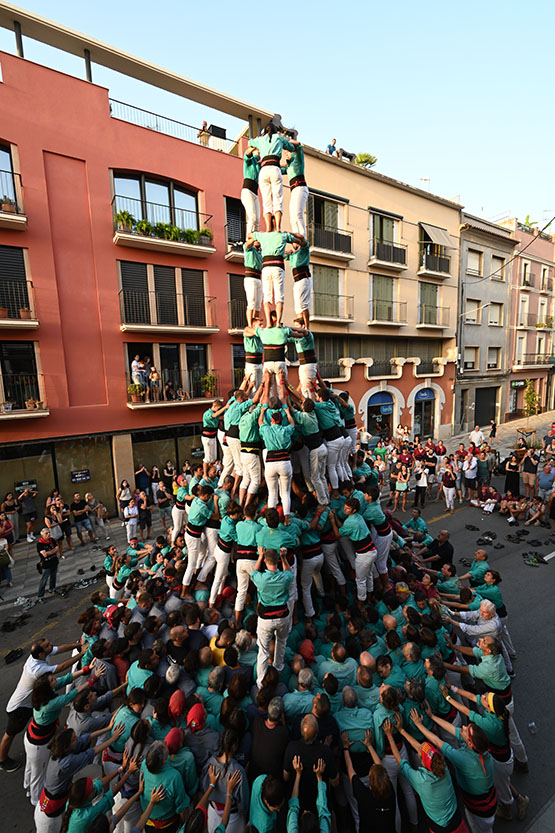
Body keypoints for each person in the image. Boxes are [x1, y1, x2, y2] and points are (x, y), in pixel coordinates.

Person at [0, 637, 82, 772]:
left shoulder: (41, 656)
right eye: (48, 645)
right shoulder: (37, 669)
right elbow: (61, 667)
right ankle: (2, 759)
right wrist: (81, 653)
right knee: (10, 733)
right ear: (41, 654)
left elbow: (60, 648)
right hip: (20, 707)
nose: (52, 645)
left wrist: (79, 644)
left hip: (32, 701)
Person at [251, 547, 293, 685]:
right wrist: (284, 558)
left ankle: (261, 683)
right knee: (281, 642)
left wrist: (259, 556)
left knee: (263, 652)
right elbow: (289, 572)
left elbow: (254, 572)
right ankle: (278, 670)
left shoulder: (261, 579)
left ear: (265, 561)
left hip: (266, 619)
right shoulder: (285, 578)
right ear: (278, 561)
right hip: (283, 617)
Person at [246, 230, 305, 327]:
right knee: (274, 297)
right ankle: (259, 324)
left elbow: (250, 236)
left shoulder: (263, 238)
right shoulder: (281, 235)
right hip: (262, 273)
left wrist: (257, 236)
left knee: (263, 300)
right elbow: (299, 240)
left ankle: (268, 322)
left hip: (263, 272)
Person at [248, 123, 297, 232]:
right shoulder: (279, 138)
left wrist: (259, 139)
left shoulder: (261, 140)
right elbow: (291, 147)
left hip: (264, 170)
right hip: (275, 168)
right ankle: (278, 227)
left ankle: (268, 228)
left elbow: (249, 142)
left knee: (266, 201)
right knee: (277, 199)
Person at [282, 142, 308, 236]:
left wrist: (286, 141)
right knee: (292, 217)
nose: (286, 154)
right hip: (293, 190)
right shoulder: (288, 166)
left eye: (287, 152)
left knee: (298, 214)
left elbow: (299, 145)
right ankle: (296, 238)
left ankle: (302, 236)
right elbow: (278, 169)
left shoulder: (298, 158)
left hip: (300, 188)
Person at [286, 242, 312, 330]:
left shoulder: (304, 250)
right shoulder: (293, 254)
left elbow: (305, 244)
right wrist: (287, 252)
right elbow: (282, 256)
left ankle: (307, 327)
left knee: (303, 304)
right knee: (297, 306)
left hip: (303, 278)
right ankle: (300, 325)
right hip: (296, 280)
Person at [243, 241, 263, 328]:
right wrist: (254, 237)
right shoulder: (249, 249)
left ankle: (256, 323)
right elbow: (247, 245)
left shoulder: (260, 252)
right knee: (251, 302)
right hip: (250, 277)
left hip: (258, 278)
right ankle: (250, 325)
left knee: (258, 304)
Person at [36, 528, 60, 604]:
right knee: (44, 580)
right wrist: (53, 551)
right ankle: (40, 596)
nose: (48, 534)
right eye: (46, 533)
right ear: (42, 535)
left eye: (49, 532)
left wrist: (50, 552)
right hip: (46, 564)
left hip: (54, 562)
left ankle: (52, 589)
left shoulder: (52, 540)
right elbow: (45, 554)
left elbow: (57, 549)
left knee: (53, 576)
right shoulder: (40, 544)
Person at [241, 145, 261, 235]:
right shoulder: (249, 160)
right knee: (252, 217)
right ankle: (248, 238)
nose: (259, 154)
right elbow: (247, 153)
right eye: (258, 152)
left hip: (255, 193)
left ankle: (256, 239)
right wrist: (254, 146)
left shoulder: (258, 165)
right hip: (247, 191)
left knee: (257, 219)